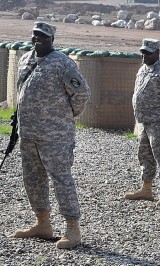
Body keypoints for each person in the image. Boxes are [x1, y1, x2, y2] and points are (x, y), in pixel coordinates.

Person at [12, 21, 90, 249]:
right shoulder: (26, 59)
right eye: (35, 35)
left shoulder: (62, 63)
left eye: (43, 37)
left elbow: (82, 92)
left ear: (52, 39)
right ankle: (42, 223)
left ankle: (72, 229)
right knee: (33, 179)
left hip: (55, 135)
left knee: (61, 180)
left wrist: (67, 115)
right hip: (28, 133)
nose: (38, 40)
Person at [126, 39, 160, 207]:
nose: (144, 56)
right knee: (144, 154)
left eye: (148, 53)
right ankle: (146, 188)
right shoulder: (143, 70)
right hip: (145, 121)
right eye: (143, 53)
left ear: (157, 53)